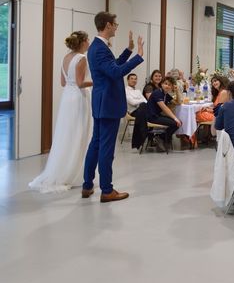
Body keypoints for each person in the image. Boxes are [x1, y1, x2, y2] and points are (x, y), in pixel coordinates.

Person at [82, 12, 143, 203]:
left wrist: (128, 51)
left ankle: (87, 185)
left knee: (96, 144)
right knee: (106, 148)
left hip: (101, 102)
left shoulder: (97, 47)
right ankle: (107, 190)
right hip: (108, 103)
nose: (117, 27)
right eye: (115, 24)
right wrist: (138, 57)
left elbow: (112, 66)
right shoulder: (100, 48)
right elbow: (116, 72)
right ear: (108, 25)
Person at [29, 31, 93, 193]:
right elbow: (80, 83)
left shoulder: (66, 57)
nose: (89, 43)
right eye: (88, 40)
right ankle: (73, 172)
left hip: (67, 98)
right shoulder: (82, 58)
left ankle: (63, 169)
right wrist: (97, 81)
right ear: (84, 42)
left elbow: (63, 82)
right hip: (78, 98)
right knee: (79, 133)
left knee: (67, 134)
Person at [146, 77, 182, 151]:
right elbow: (164, 108)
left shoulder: (165, 94)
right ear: (161, 84)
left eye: (169, 85)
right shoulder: (157, 93)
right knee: (176, 123)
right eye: (165, 84)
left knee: (179, 122)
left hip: (157, 115)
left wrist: (177, 90)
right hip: (151, 117)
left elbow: (178, 102)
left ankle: (161, 137)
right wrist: (175, 118)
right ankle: (162, 138)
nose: (167, 86)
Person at [125, 73, 149, 150]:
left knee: (143, 107)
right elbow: (132, 102)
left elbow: (145, 101)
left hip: (142, 111)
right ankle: (144, 134)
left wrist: (139, 101)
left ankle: (141, 137)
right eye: (132, 78)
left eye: (135, 79)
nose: (134, 80)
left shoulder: (138, 91)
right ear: (128, 80)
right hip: (133, 112)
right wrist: (140, 101)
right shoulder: (125, 90)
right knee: (143, 106)